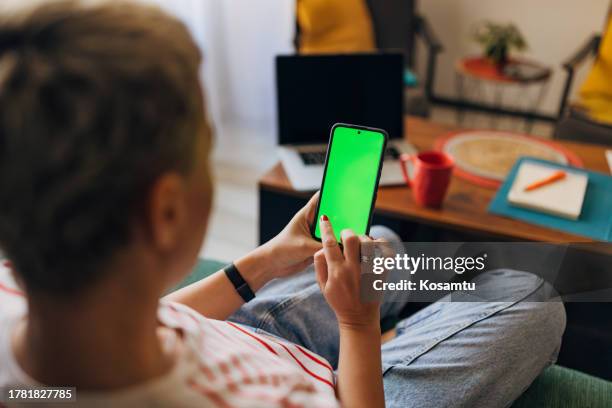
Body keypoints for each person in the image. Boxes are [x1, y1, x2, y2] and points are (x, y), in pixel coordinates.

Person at [0, 1, 565, 407]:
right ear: (166, 212)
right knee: (531, 294)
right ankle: (391, 335)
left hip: (231, 331)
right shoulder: (277, 399)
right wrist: (358, 326)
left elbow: (114, 345)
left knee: (380, 248)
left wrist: (265, 260)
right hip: (337, 387)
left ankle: (390, 319)